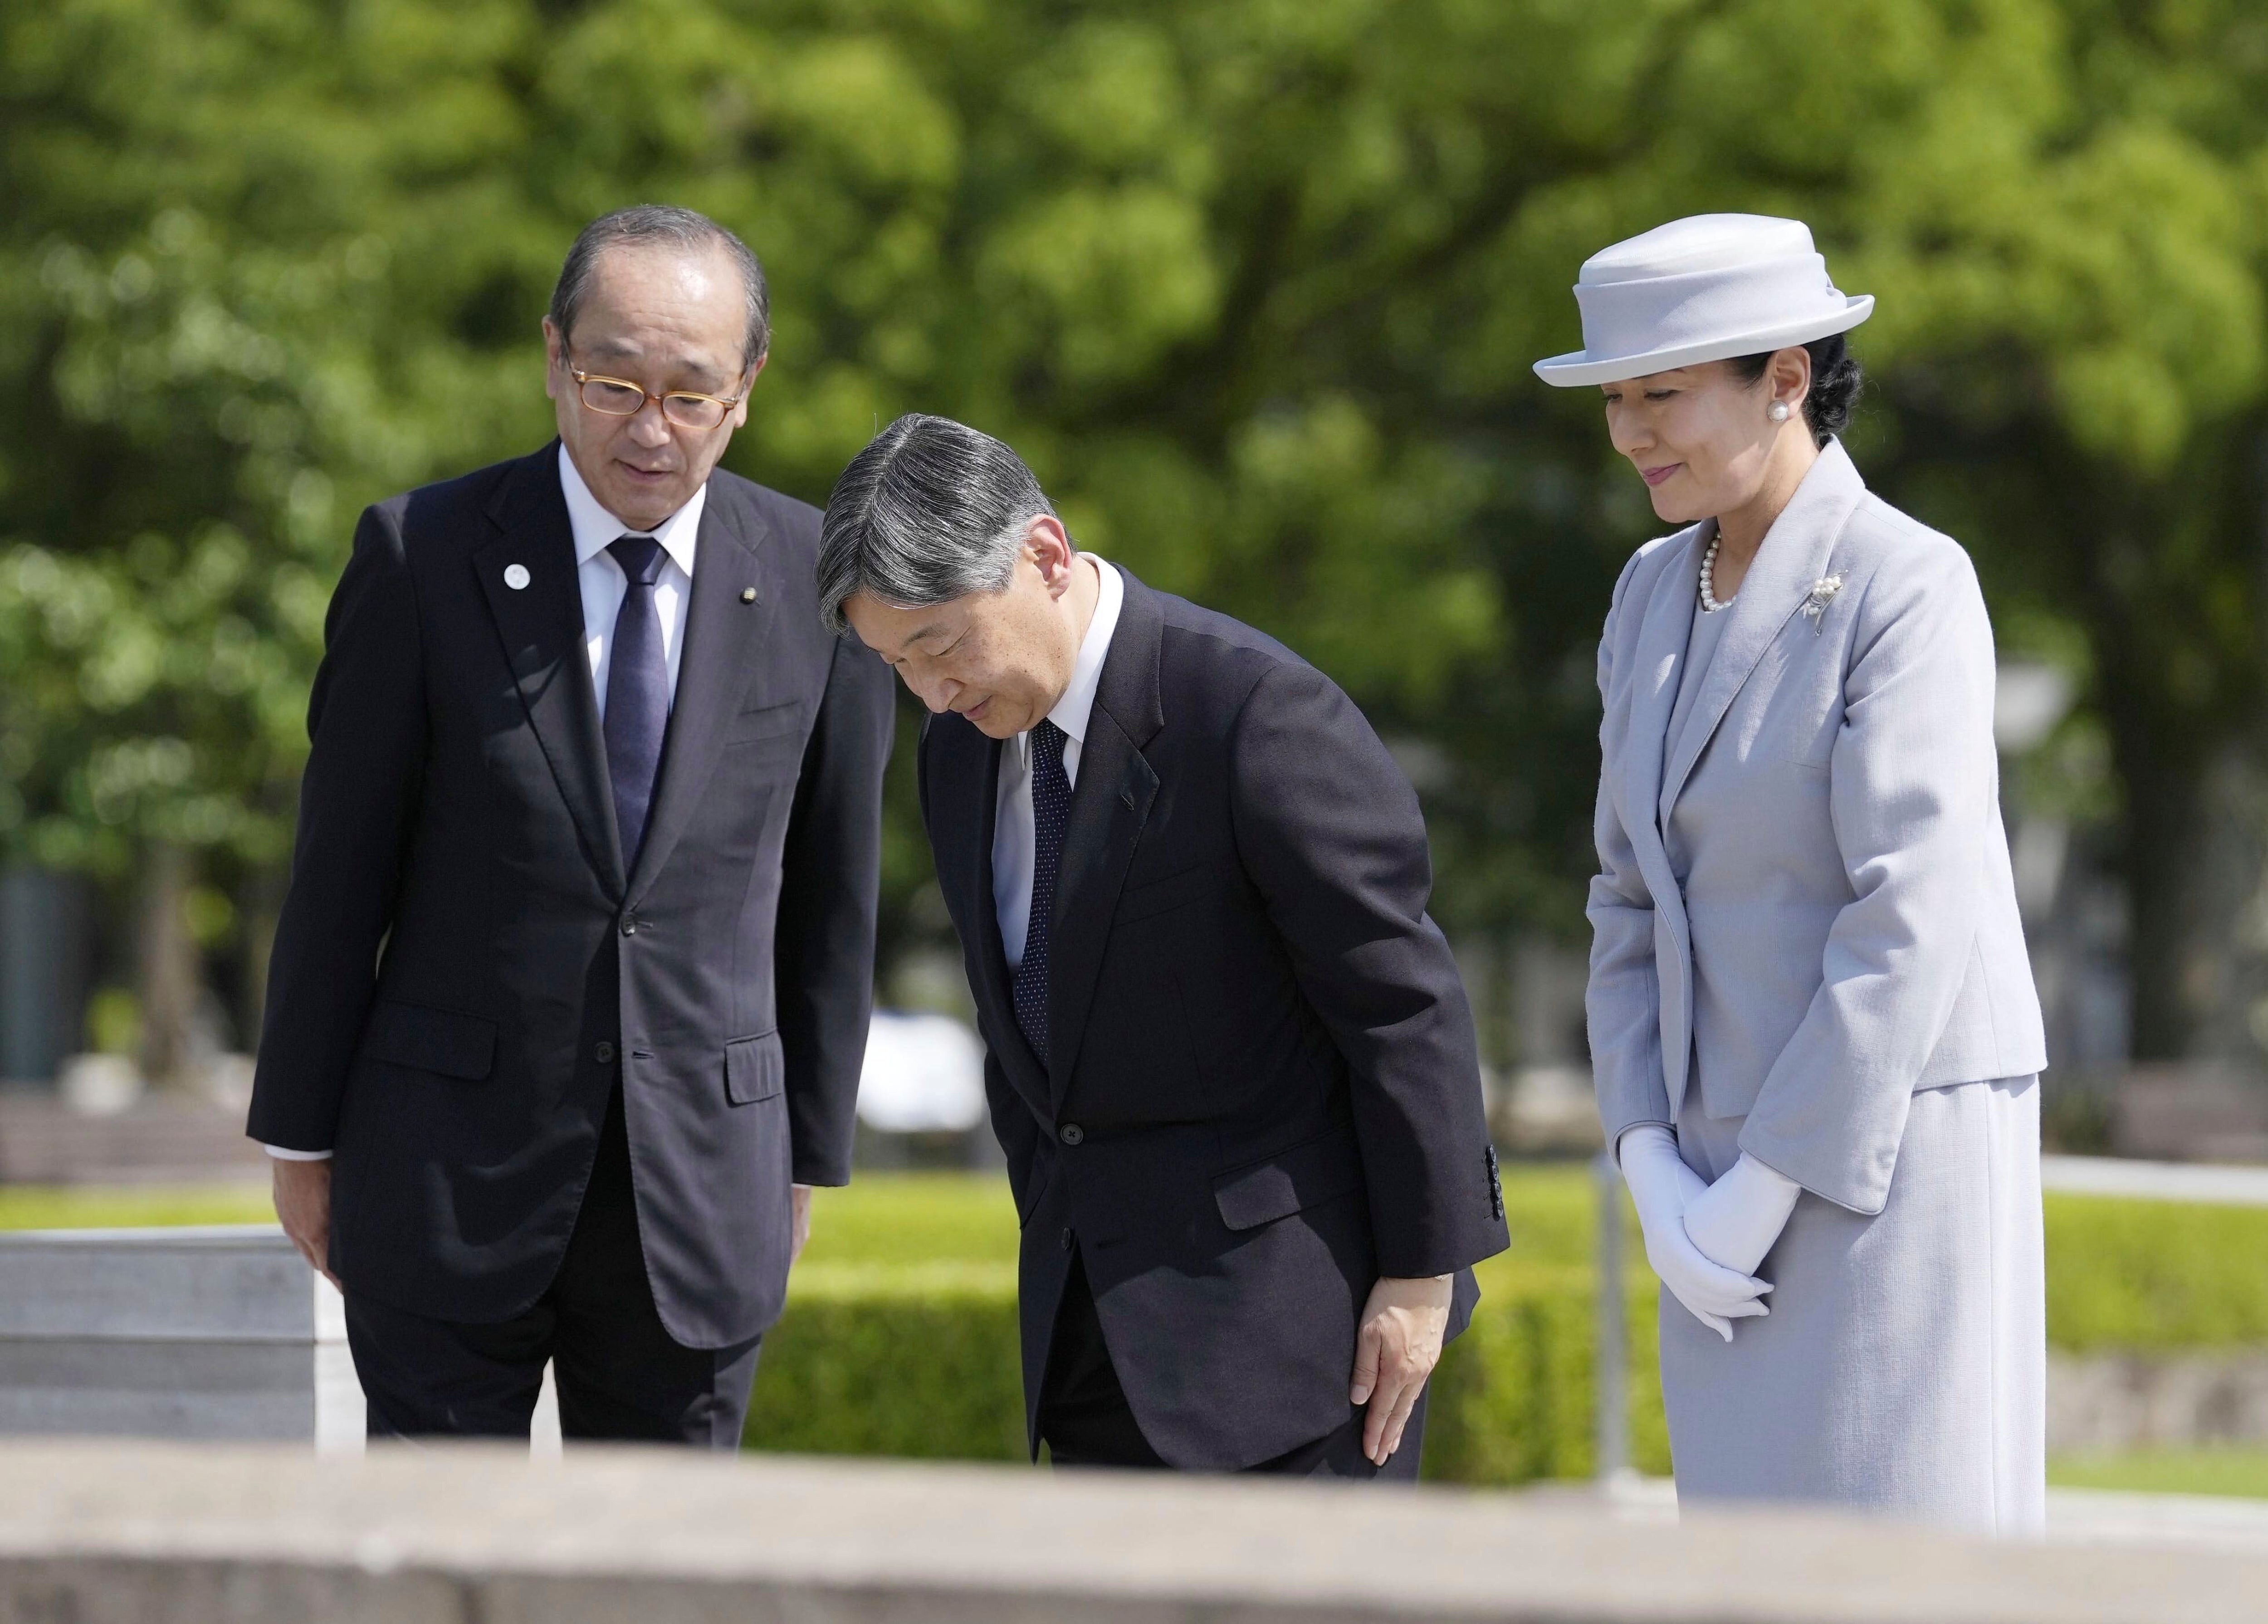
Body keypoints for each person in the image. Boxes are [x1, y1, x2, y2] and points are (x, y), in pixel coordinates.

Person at [246, 205, 894, 1445]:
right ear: (553, 358)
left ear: (747, 391)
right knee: (436, 1561)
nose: (649, 429)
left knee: (657, 1571)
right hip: (445, 1172)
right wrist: (301, 1132)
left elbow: (834, 893)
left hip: (702, 1191)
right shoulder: (420, 553)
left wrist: (801, 1156)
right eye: (612, 382)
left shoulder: (821, 583)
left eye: (690, 394)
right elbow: (341, 871)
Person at [816, 415, 1508, 1477]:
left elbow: (1400, 1008)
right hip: (1087, 1339)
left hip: (1300, 1351)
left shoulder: (1254, 713)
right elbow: (1024, 1038)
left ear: (1043, 556)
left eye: (943, 645)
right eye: (894, 665)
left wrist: (1421, 1280)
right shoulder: (958, 752)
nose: (932, 694)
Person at [1537, 215, 2048, 1530]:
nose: (1632, 431)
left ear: (1787, 376)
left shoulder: (1908, 581)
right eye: (1615, 399)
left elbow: (1911, 911)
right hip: (1707, 1175)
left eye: (1663, 393)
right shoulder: (1647, 591)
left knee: (1908, 1563)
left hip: (1889, 1144)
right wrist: (1650, 1160)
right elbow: (1623, 892)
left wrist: (1772, 1178)